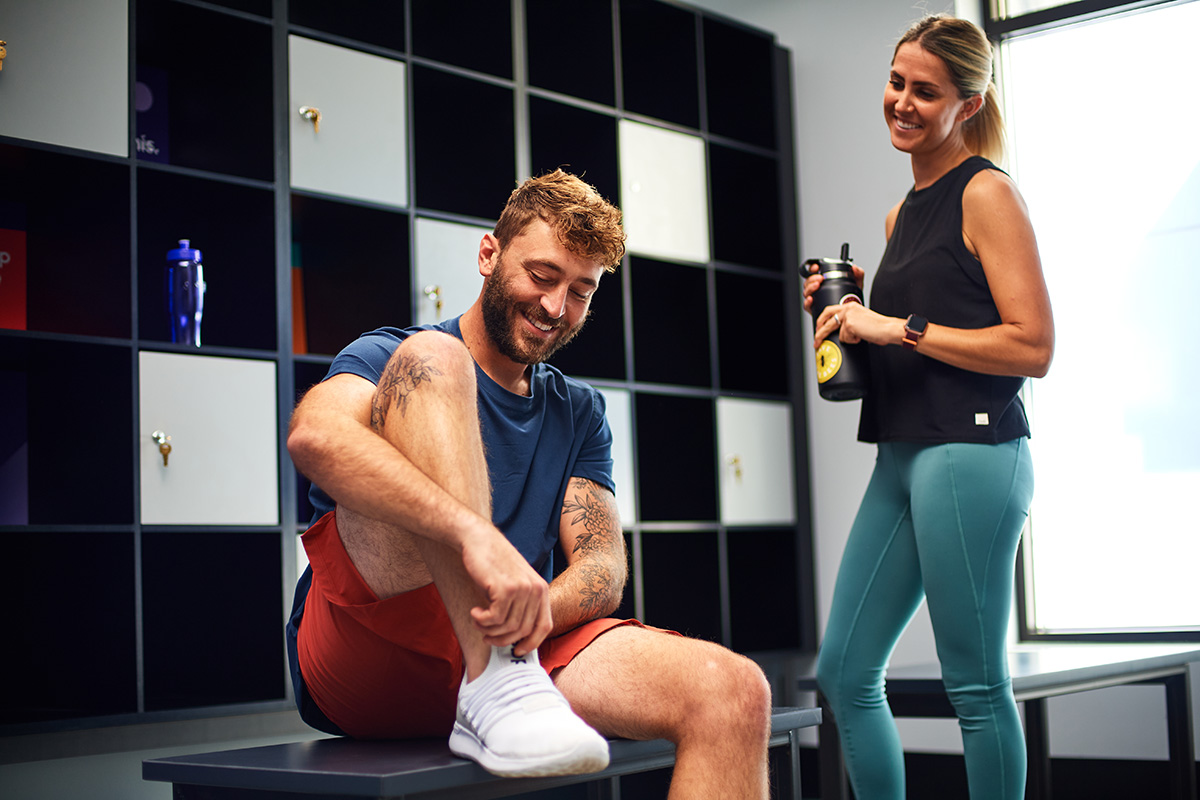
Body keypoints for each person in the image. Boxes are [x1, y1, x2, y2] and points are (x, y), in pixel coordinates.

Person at [285, 169, 773, 795]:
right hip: (372, 649)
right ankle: (493, 679)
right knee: (438, 362)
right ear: (489, 254)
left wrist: (536, 607)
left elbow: (602, 568)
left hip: (516, 649)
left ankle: (497, 678)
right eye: (542, 277)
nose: (554, 308)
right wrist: (473, 537)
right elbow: (314, 438)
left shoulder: (578, 410)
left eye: (580, 291)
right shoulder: (390, 353)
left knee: (734, 691)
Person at [805, 15, 1054, 800]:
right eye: (897, 82)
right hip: (904, 452)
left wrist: (895, 326)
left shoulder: (987, 194)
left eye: (927, 92)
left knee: (975, 689)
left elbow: (1032, 348)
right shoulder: (899, 215)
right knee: (844, 673)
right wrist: (846, 324)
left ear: (969, 105)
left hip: (974, 457)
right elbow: (913, 360)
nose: (902, 102)